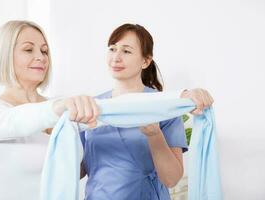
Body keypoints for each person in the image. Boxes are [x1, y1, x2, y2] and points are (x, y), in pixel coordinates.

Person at [80, 23, 214, 200]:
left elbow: (171, 179)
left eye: (126, 51)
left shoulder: (163, 107)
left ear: (145, 61)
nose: (116, 57)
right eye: (112, 49)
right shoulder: (91, 107)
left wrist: (155, 135)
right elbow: (79, 172)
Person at [0, 20, 99, 200]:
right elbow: (18, 120)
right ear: (6, 55)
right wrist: (59, 107)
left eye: (44, 51)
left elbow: (76, 171)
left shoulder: (59, 108)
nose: (41, 57)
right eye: (28, 49)